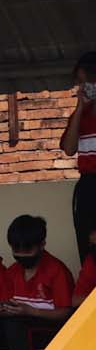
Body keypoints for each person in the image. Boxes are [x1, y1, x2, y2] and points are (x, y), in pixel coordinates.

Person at [0, 214, 74, 350]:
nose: (22, 255)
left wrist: (30, 311)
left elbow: (66, 312)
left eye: (28, 249)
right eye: (17, 250)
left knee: (14, 325)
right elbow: (7, 304)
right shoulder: (12, 272)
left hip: (51, 327)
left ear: (42, 245)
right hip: (20, 325)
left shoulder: (56, 270)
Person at [58, 50, 96, 254]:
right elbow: (69, 149)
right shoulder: (80, 116)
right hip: (89, 186)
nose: (84, 88)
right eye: (80, 83)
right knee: (88, 248)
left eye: (88, 82)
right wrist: (80, 109)